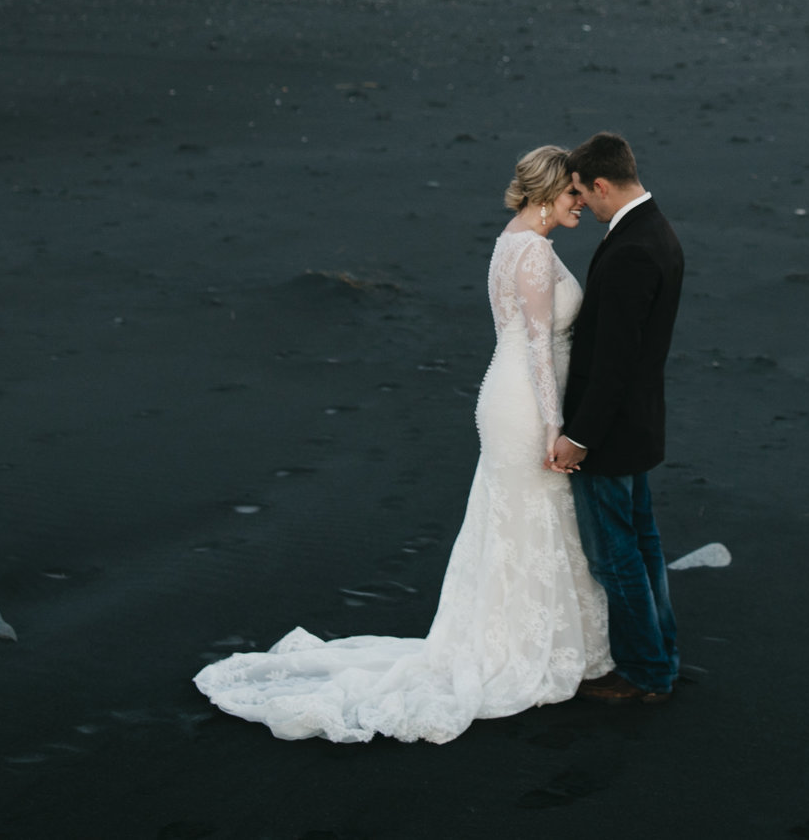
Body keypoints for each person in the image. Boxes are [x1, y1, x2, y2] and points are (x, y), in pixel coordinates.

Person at [192, 146, 612, 742]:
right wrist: (554, 426)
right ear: (548, 194)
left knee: (518, 524)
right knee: (532, 521)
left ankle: (526, 638)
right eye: (573, 193)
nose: (581, 202)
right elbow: (540, 347)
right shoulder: (536, 256)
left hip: (505, 392)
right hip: (525, 405)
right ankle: (527, 651)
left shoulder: (510, 240)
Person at [551, 131, 686, 703]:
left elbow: (615, 361)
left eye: (583, 191)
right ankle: (662, 655)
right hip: (638, 424)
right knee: (644, 544)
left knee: (615, 556)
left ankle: (644, 673)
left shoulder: (632, 247)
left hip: (611, 431)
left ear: (602, 183)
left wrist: (580, 435)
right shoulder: (654, 229)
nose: (581, 202)